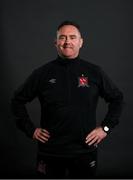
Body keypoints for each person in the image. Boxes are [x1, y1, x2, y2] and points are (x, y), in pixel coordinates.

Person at [11, 20, 124, 178]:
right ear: (56, 42)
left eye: (72, 37)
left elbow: (117, 99)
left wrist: (105, 128)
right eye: (62, 37)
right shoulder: (42, 73)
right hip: (50, 152)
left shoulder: (94, 72)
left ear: (80, 42)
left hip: (84, 151)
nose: (67, 42)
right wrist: (30, 130)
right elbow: (17, 100)